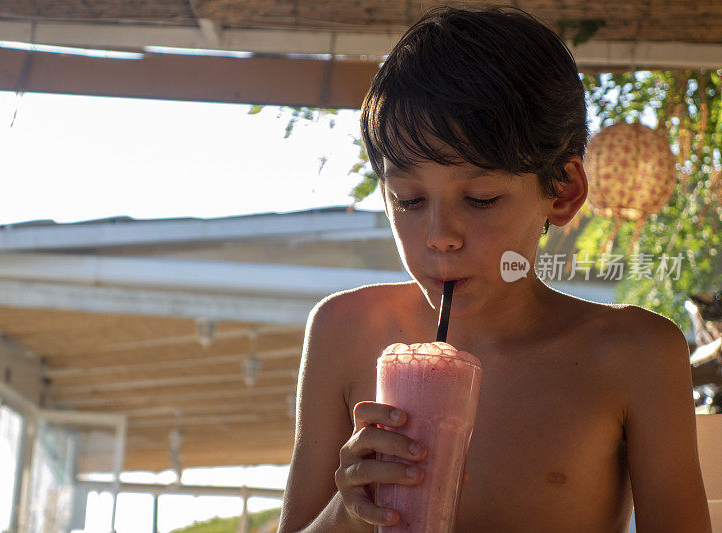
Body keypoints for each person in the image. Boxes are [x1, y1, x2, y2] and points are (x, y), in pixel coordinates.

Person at [277, 5, 711, 532]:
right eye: (409, 199)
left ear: (563, 192)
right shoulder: (344, 330)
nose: (440, 236)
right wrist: (347, 511)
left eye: (481, 198)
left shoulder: (635, 355)